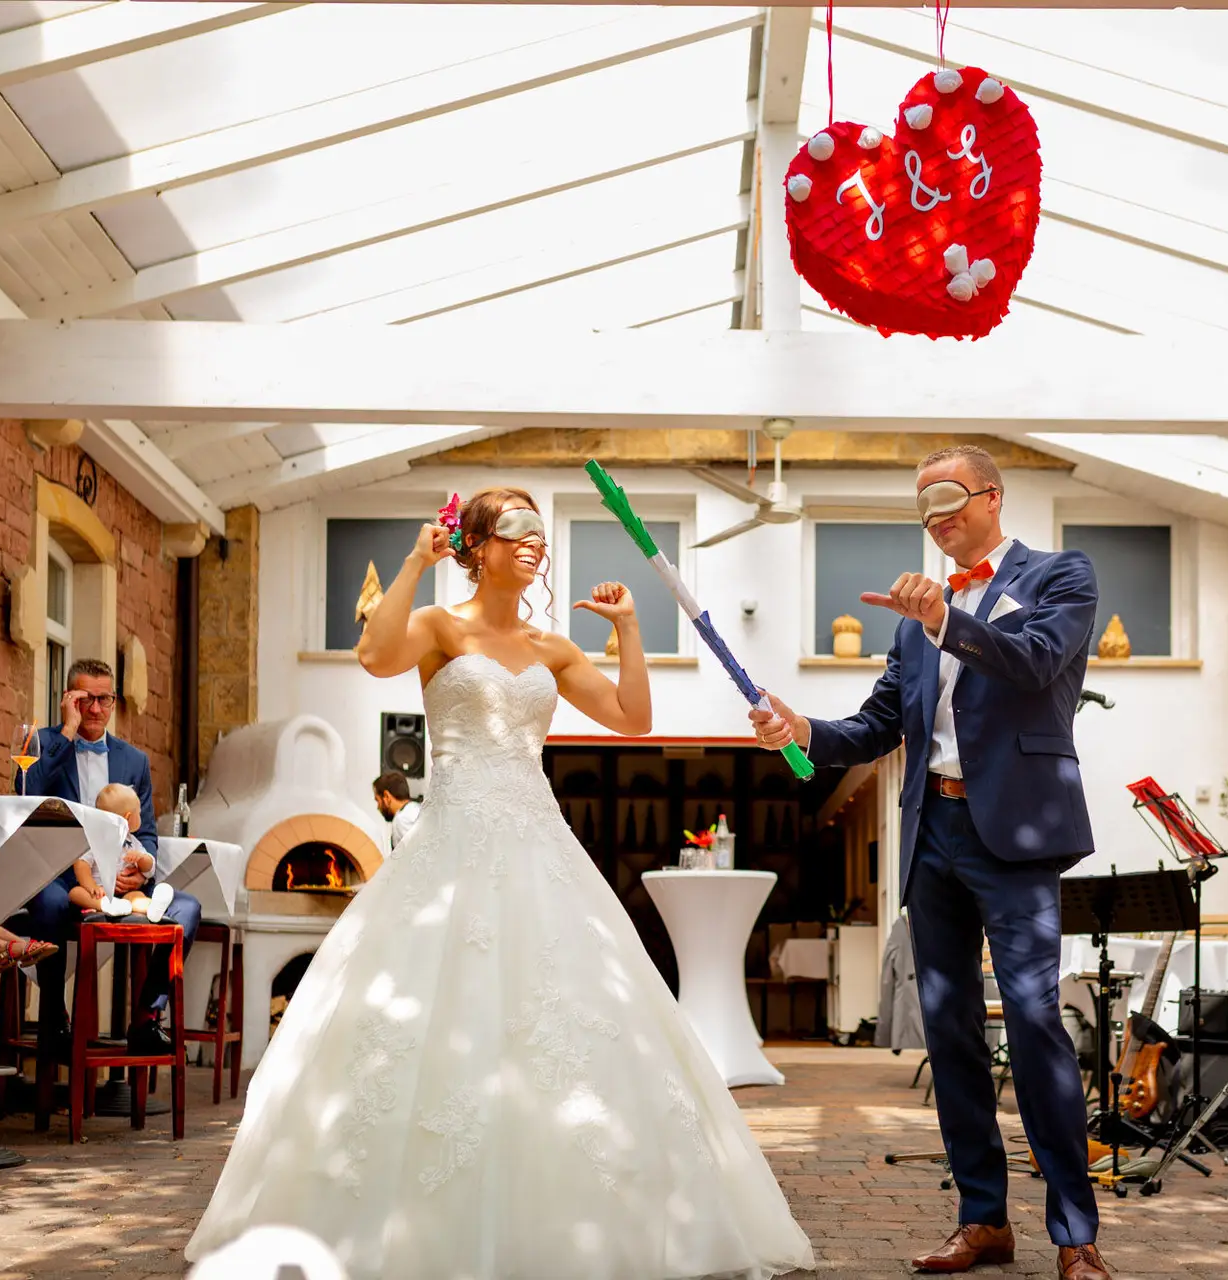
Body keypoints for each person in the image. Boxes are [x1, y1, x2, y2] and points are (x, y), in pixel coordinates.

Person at [186, 488, 815, 1280]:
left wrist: (628, 628)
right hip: (451, 840)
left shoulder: (552, 647)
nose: (532, 542)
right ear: (476, 546)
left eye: (539, 532)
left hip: (538, 837)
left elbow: (632, 718)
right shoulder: (439, 627)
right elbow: (375, 656)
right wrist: (415, 559)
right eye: (514, 528)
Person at [751, 445, 1109, 1280]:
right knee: (948, 1035)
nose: (935, 516)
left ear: (992, 496)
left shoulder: (1061, 575)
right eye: (923, 506)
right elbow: (875, 727)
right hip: (933, 834)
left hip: (1016, 836)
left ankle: (1075, 1234)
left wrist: (948, 621)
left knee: (1034, 1025)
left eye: (948, 497)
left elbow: (1034, 663)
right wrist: (802, 730)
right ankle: (983, 1221)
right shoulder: (915, 623)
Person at [22, 658, 202, 1059]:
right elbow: (26, 794)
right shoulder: (43, 742)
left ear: (114, 702)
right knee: (48, 902)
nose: (95, 708)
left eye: (103, 699)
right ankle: (54, 1015)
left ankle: (146, 1017)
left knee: (188, 909)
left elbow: (147, 831)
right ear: (68, 700)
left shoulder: (133, 760)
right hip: (63, 877)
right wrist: (67, 732)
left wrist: (139, 874)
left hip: (122, 878)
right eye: (84, 699)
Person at [76, 783, 176, 922]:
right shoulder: (95, 839)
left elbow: (149, 870)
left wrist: (141, 858)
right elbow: (81, 864)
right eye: (139, 813)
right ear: (128, 818)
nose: (141, 817)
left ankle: (153, 907)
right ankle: (105, 905)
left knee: (136, 897)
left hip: (125, 894)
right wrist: (91, 886)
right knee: (76, 893)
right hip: (99, 892)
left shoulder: (132, 841)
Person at [371, 770, 420, 849]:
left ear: (387, 797)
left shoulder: (401, 820)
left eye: (377, 800)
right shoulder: (417, 808)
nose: (378, 807)